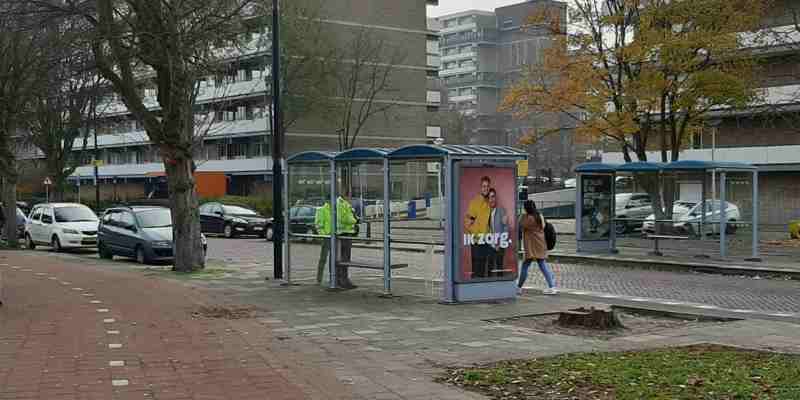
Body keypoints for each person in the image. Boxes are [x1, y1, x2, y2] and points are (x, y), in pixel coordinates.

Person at [314, 196, 358, 289]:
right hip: (328, 236)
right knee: (325, 258)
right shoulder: (322, 209)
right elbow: (318, 224)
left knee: (336, 257)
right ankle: (320, 278)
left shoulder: (338, 207)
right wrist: (324, 235)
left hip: (336, 235)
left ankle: (337, 278)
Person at [518, 200, 557, 295]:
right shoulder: (540, 216)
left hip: (532, 246)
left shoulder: (527, 218)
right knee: (542, 265)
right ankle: (552, 286)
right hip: (541, 244)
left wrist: (522, 215)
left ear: (526, 208)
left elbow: (519, 223)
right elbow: (543, 227)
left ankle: (518, 287)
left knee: (525, 266)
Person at [464, 176, 492, 278]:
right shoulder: (475, 202)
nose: (486, 188)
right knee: (477, 268)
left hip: (488, 241)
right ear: (480, 188)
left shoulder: (490, 202)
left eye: (488, 186)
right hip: (477, 241)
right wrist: (477, 234)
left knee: (486, 267)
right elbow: (467, 222)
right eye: (484, 186)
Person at [486, 188, 509, 277]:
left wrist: (500, 243)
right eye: (489, 197)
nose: (491, 199)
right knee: (489, 267)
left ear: (495, 198)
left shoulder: (501, 211)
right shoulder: (485, 212)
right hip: (489, 244)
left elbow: (506, 228)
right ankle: (489, 285)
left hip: (500, 243)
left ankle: (500, 285)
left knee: (499, 266)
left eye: (493, 197)